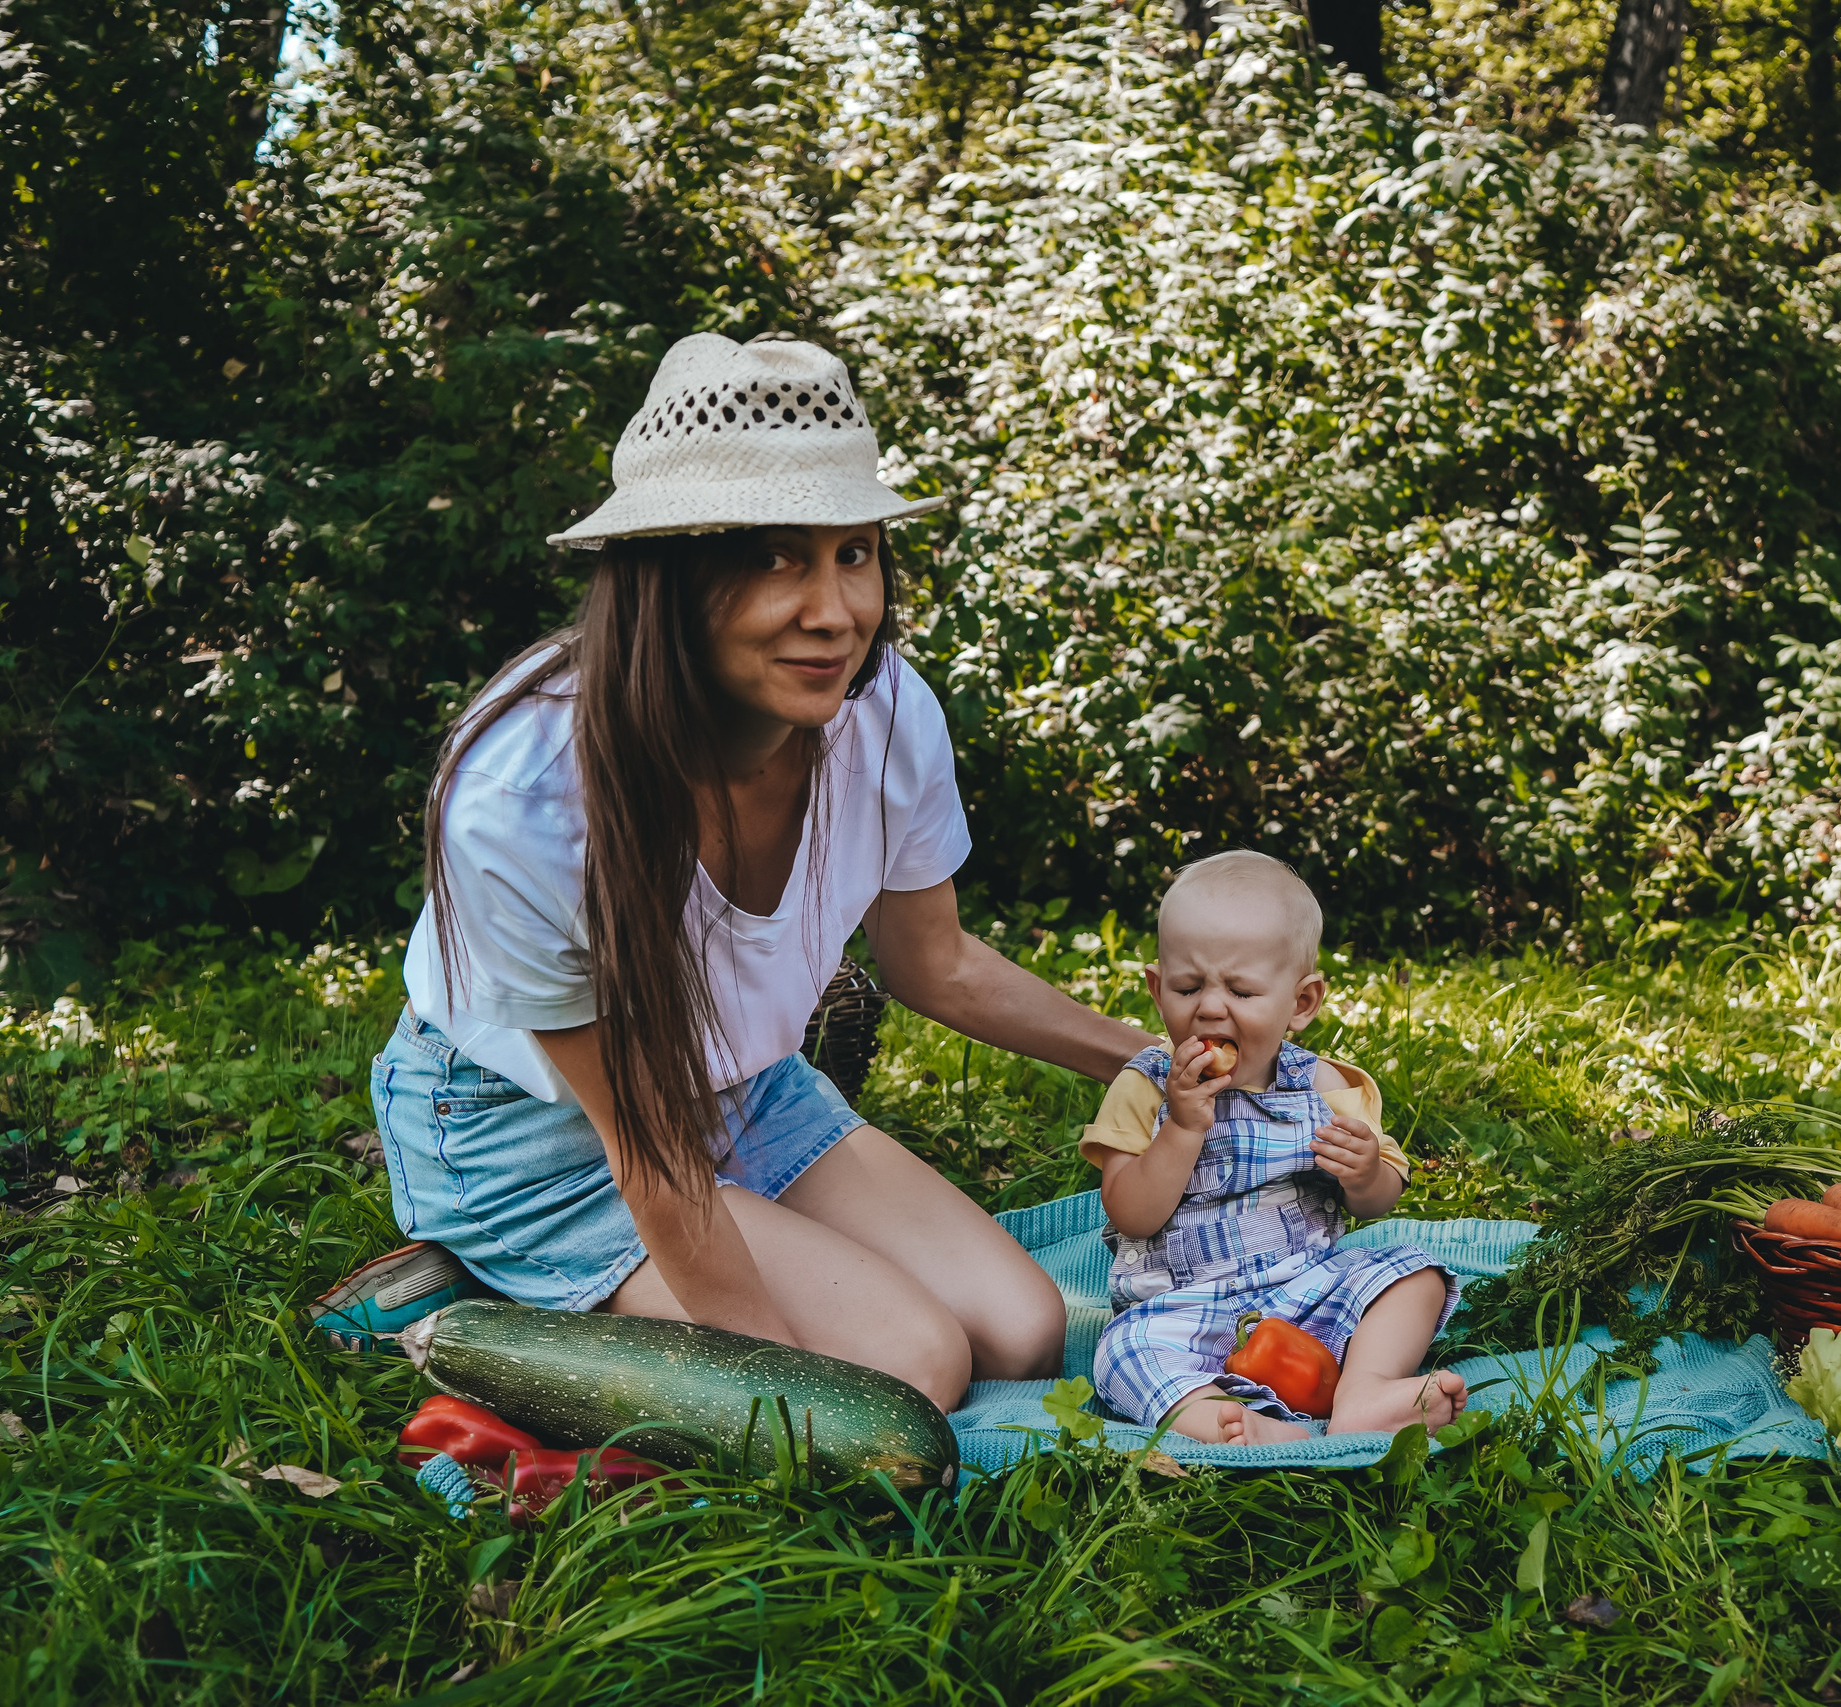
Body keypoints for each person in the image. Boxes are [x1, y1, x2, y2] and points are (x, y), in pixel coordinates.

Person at [364, 332, 1149, 1412]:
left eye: (854, 553)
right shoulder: (529, 796)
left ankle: (646, 1298)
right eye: (775, 556)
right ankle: (461, 1313)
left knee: (1020, 1332)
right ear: (669, 576)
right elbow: (643, 1145)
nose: (834, 611)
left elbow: (938, 966)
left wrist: (1154, 1059)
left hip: (742, 1091)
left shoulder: (883, 714)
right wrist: (782, 1381)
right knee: (911, 1371)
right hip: (536, 1136)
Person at [1084, 852, 1467, 1444]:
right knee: (1122, 1354)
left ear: (1302, 1002)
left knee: (1413, 1272)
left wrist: (1365, 1173)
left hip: (1307, 1288)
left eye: (1240, 989)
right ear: (1157, 991)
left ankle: (1365, 1389)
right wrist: (1182, 1129)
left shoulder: (1325, 1087)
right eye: (1188, 987)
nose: (1210, 1007)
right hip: (1184, 1312)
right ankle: (1231, 1423)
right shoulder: (1145, 1088)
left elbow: (1378, 1199)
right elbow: (1130, 1212)